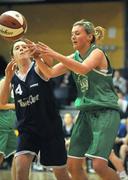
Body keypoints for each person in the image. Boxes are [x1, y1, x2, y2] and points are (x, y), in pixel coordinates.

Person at [29, 19, 121, 180]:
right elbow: (49, 73)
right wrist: (37, 58)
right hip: (85, 114)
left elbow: (83, 69)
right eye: (71, 34)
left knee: (99, 165)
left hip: (105, 112)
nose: (72, 37)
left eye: (77, 33)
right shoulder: (74, 56)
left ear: (89, 37)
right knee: (72, 165)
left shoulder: (97, 53)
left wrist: (54, 53)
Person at [0, 39, 71, 180]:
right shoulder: (11, 78)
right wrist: (7, 78)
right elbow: (2, 102)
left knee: (61, 174)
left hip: (50, 128)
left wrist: (38, 53)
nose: (21, 49)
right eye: (17, 48)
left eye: (24, 47)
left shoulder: (38, 68)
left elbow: (49, 62)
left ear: (30, 52)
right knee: (20, 169)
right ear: (12, 57)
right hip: (27, 130)